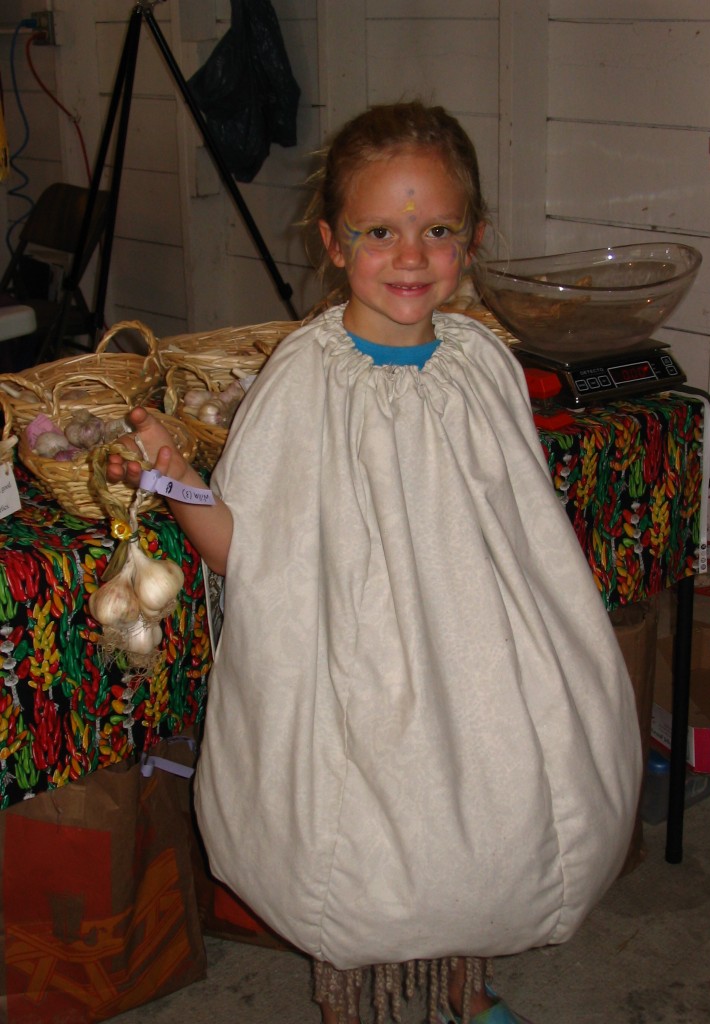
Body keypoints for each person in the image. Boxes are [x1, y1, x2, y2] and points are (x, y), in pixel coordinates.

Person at [107, 101, 642, 1024]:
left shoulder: (482, 362)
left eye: (436, 230)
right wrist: (180, 479)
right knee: (363, 858)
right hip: (350, 669)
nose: (409, 256)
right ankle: (361, 1007)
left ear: (471, 241)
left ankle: (464, 993)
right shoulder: (304, 377)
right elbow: (252, 554)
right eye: (380, 231)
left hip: (482, 666)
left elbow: (528, 530)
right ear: (333, 241)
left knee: (495, 815)